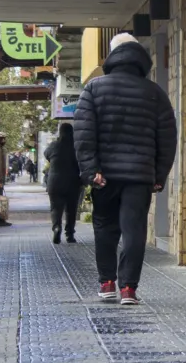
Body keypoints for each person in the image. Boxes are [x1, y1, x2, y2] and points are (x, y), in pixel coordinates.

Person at [73, 33, 178, 306]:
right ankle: (129, 289)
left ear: (111, 57)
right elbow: (167, 138)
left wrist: (90, 169)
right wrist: (159, 174)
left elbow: (84, 134)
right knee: (134, 230)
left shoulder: (94, 89)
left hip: (104, 176)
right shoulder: (155, 93)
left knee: (105, 228)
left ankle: (107, 282)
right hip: (140, 176)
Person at [44, 123, 82, 244]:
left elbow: (46, 154)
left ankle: (56, 227)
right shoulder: (76, 146)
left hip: (55, 182)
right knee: (71, 209)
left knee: (56, 208)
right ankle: (70, 234)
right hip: (73, 182)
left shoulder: (54, 145)